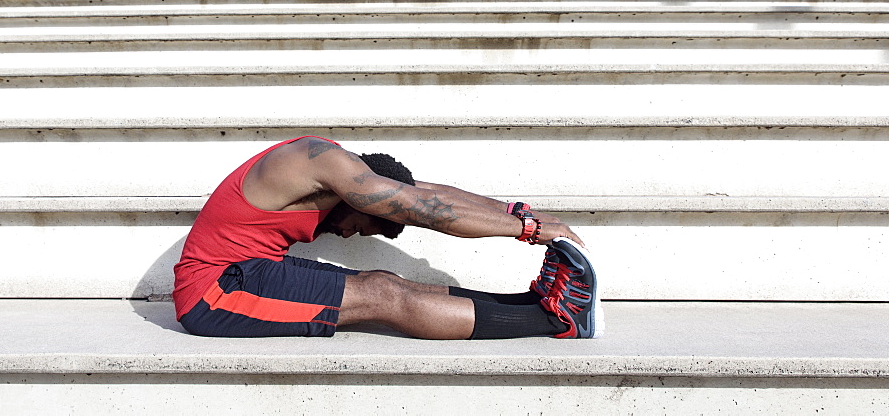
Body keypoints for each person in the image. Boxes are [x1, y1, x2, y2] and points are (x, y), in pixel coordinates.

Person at [173, 135, 603, 340]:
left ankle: (533, 305)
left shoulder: (339, 168)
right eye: (359, 225)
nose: (345, 234)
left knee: (389, 283)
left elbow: (431, 195)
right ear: (363, 198)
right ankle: (557, 318)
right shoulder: (322, 162)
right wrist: (532, 232)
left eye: (359, 228)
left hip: (247, 272)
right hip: (213, 292)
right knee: (381, 294)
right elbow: (428, 212)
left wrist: (520, 213)